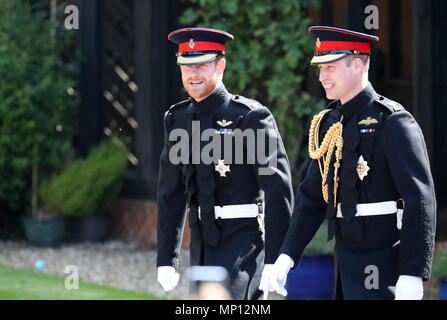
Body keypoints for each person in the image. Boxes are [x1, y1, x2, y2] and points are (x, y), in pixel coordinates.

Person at [267, 26, 436, 300]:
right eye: (320, 68)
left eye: (330, 67)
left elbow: (420, 199)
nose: (322, 77)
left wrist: (413, 272)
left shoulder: (392, 121)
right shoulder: (329, 123)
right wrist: (286, 255)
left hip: (384, 265)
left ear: (357, 64)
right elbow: (312, 198)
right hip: (345, 264)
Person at [156, 27, 293, 300]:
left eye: (202, 65)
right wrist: (166, 259)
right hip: (201, 245)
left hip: (242, 245)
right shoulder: (177, 119)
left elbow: (278, 190)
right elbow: (170, 193)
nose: (193, 74)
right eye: (187, 66)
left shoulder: (250, 117)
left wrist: (274, 259)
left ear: (221, 65)